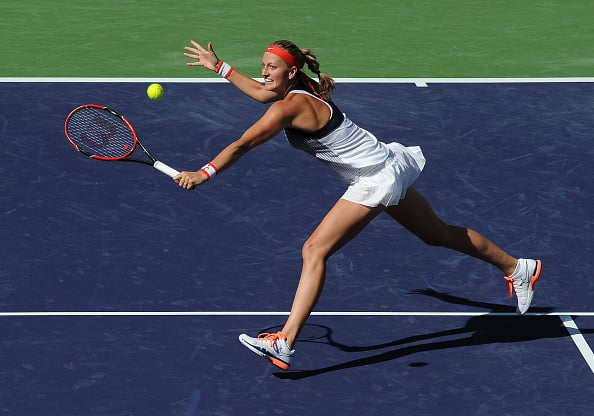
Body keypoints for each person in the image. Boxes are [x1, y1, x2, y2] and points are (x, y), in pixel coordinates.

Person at [175, 39, 542, 371]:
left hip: (373, 179)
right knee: (436, 234)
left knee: (314, 250)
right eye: (262, 64)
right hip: (385, 165)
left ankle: (285, 341)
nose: (263, 72)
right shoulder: (300, 88)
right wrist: (219, 66)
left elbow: (243, 144)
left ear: (290, 71)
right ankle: (517, 266)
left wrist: (203, 173)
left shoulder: (290, 106)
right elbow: (259, 92)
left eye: (270, 66)